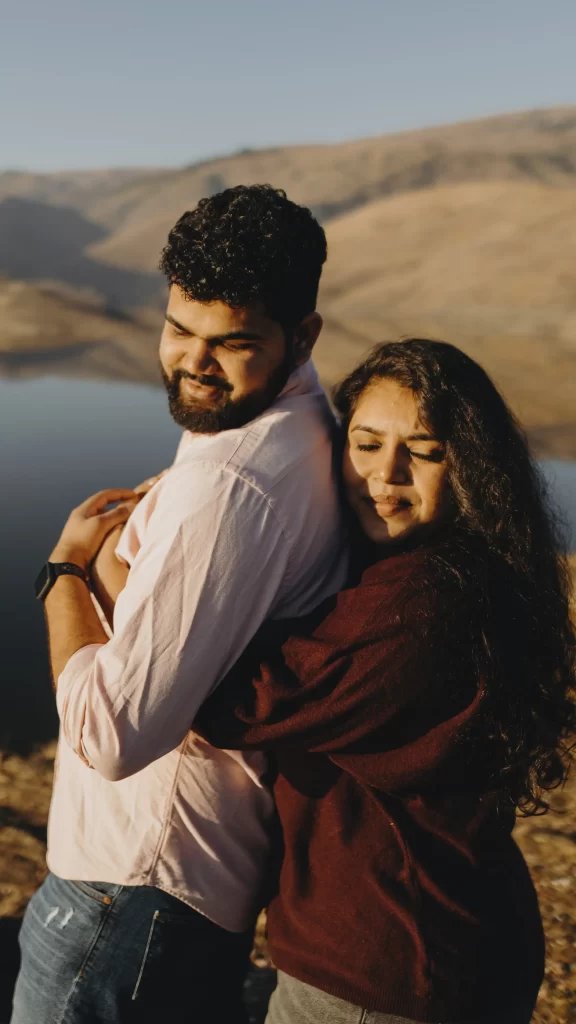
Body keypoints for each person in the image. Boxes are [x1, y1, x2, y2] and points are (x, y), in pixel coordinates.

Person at [13, 185, 347, 1024]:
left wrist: (64, 573)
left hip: (127, 894)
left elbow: (113, 736)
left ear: (302, 335)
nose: (193, 362)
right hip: (171, 892)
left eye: (231, 343)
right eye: (178, 330)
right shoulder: (301, 423)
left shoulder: (229, 484)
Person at [196, 339, 576, 1024]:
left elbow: (230, 700)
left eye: (424, 451)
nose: (385, 474)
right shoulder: (470, 570)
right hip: (447, 946)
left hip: (385, 970)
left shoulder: (425, 599)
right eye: (366, 443)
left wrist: (92, 578)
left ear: (470, 467)